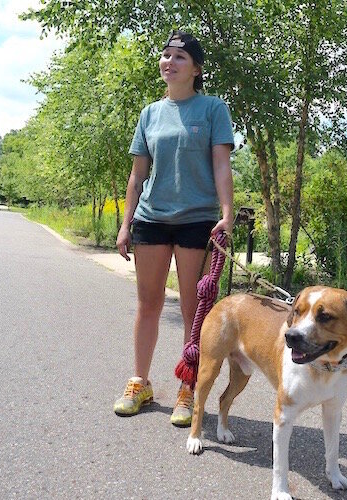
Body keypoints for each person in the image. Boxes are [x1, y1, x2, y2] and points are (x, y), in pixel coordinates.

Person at [113, 30, 234, 427]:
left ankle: (187, 387)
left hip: (196, 220)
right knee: (147, 304)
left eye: (179, 57)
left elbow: (220, 165)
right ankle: (140, 383)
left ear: (196, 69)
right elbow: (137, 175)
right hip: (151, 218)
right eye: (165, 55)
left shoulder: (213, 109)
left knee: (190, 310)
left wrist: (227, 213)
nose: (169, 62)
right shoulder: (149, 113)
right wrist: (126, 223)